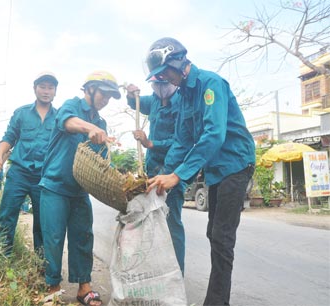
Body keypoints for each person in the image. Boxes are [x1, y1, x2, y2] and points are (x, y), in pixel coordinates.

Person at [145, 37, 256, 306]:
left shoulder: (210, 84)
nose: (162, 79)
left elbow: (213, 135)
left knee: (222, 237)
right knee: (213, 234)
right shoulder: (183, 96)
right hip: (217, 170)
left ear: (177, 62)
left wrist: (178, 175)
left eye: (163, 73)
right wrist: (166, 174)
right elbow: (183, 140)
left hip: (236, 164)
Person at [38, 71, 121, 305]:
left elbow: (100, 162)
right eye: (103, 94)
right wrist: (88, 128)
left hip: (79, 190)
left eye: (109, 97)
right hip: (54, 185)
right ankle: (52, 285)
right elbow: (67, 121)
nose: (105, 100)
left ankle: (84, 288)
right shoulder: (72, 105)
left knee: (84, 237)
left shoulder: (101, 123)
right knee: (54, 238)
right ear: (89, 90)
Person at [0, 71, 58, 257]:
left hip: (44, 177)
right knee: (7, 215)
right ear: (35, 89)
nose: (46, 91)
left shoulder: (60, 117)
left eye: (50, 88)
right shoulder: (21, 113)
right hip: (18, 173)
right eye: (42, 87)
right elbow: (9, 137)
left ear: (55, 91)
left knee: (42, 222)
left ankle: (42, 263)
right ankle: (1, 257)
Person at [126, 79, 187, 274]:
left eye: (164, 82)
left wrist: (151, 143)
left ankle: (176, 274)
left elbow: (181, 141)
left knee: (171, 223)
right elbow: (135, 102)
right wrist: (130, 94)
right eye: (156, 83)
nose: (160, 87)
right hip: (152, 171)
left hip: (172, 172)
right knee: (149, 221)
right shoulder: (152, 100)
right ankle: (153, 271)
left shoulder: (182, 102)